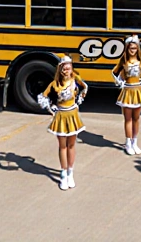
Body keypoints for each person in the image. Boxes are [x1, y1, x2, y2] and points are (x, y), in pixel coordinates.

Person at [39, 56, 88, 190]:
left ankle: (70, 173)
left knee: (71, 145)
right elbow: (43, 96)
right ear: (60, 69)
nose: (67, 70)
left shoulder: (75, 80)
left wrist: (79, 100)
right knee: (62, 146)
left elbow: (85, 87)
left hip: (73, 115)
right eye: (64, 68)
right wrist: (51, 109)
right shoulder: (54, 84)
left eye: (69, 67)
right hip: (61, 115)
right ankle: (63, 173)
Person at [113, 36, 141, 155]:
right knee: (128, 118)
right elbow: (114, 72)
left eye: (135, 48)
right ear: (127, 48)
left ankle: (135, 142)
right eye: (131, 48)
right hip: (127, 91)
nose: (133, 50)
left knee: (136, 118)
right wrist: (120, 83)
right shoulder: (123, 61)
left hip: (138, 91)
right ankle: (128, 143)